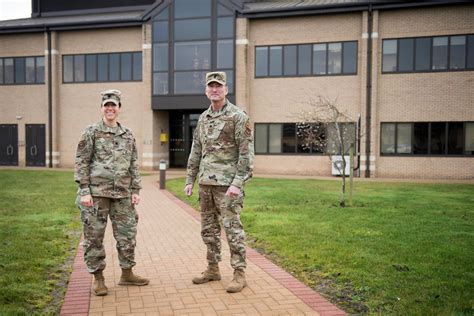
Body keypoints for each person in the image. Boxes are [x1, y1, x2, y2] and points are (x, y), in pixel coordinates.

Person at [184, 71, 254, 293]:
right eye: (211, 86)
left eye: (219, 86)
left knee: (232, 229)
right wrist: (190, 178)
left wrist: (237, 183)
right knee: (208, 229)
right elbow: (196, 150)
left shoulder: (238, 117)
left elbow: (246, 155)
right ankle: (213, 268)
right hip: (206, 183)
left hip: (227, 185)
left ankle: (239, 273)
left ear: (226, 89)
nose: (214, 89)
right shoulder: (204, 118)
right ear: (206, 91)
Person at [74, 89, 149, 296]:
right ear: (101, 108)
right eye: (106, 105)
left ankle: (127, 274)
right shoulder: (91, 132)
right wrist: (84, 191)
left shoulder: (128, 134)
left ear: (119, 109)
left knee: (127, 235)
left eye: (113, 105)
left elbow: (133, 164)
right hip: (96, 194)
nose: (110, 108)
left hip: (123, 194)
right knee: (94, 237)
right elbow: (81, 162)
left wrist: (135, 189)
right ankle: (98, 279)